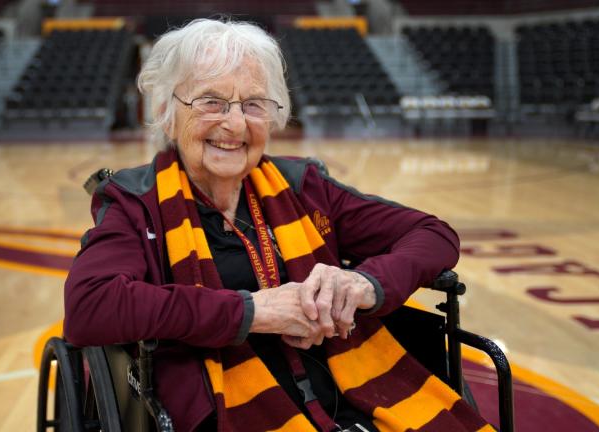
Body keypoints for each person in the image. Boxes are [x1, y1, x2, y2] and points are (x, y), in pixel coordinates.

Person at [64, 19, 491, 432]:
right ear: (166, 111)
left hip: (350, 396)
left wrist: (363, 284)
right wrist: (252, 311)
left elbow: (433, 235)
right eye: (211, 101)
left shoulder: (305, 187)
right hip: (226, 410)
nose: (234, 124)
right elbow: (90, 306)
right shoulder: (136, 203)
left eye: (253, 105)